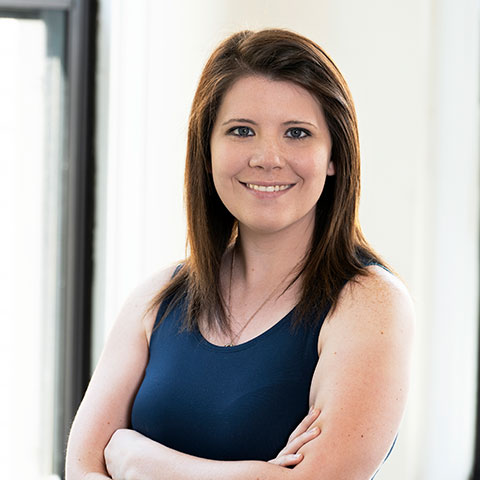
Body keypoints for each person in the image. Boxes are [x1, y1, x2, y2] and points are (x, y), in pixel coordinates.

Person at [66, 28, 414, 480]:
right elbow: (81, 470)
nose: (267, 157)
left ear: (334, 156)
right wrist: (257, 473)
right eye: (241, 131)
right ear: (207, 149)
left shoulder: (371, 304)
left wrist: (137, 458)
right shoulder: (157, 298)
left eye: (297, 133)